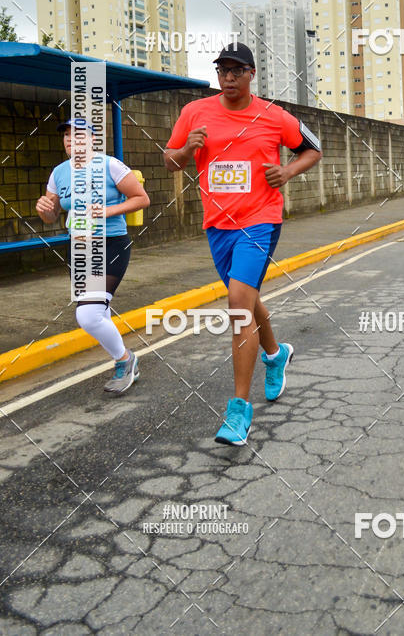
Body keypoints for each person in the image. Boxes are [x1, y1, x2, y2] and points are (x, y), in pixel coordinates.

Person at [164, 42, 322, 446]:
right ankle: (276, 354)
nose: (229, 77)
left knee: (237, 303)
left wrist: (286, 172)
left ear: (252, 74)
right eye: (222, 70)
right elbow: (169, 159)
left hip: (261, 220)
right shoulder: (194, 113)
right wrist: (187, 148)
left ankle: (238, 411)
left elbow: (313, 148)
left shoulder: (273, 115)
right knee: (246, 300)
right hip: (218, 225)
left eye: (237, 70)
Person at [36, 118, 150, 394]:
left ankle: (125, 360)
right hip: (78, 248)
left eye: (77, 135)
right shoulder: (59, 173)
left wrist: (107, 211)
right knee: (99, 311)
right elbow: (52, 215)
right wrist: (44, 210)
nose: (69, 140)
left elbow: (141, 198)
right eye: (65, 135)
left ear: (92, 139)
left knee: (88, 315)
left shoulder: (109, 165)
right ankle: (124, 358)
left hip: (110, 245)